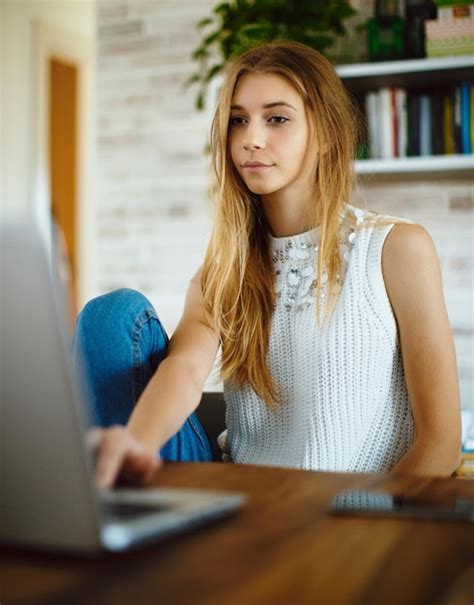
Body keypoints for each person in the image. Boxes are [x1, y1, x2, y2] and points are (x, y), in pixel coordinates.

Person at [74, 41, 462, 489]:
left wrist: (370, 527)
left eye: (276, 118)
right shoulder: (224, 271)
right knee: (110, 315)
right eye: (238, 120)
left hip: (352, 514)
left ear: (328, 132)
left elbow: (441, 440)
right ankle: (116, 481)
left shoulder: (396, 249)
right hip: (244, 499)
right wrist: (136, 443)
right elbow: (183, 371)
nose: (251, 138)